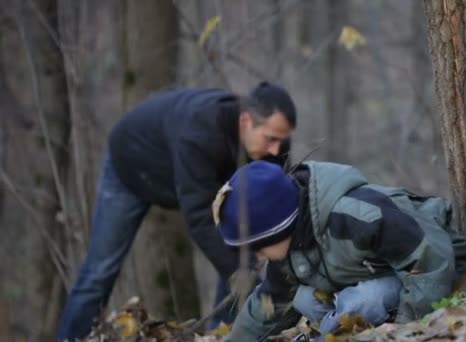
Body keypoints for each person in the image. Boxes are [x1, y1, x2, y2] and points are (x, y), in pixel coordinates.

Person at [55, 82, 297, 341]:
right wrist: (243, 275)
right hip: (131, 167)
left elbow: (279, 202)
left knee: (241, 248)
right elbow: (200, 218)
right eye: (271, 139)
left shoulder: (273, 141)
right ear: (246, 121)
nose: (276, 150)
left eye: (281, 140)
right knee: (99, 271)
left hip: (186, 175)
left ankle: (223, 335)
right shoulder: (200, 134)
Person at [214, 160, 466, 341]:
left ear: (281, 229)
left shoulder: (356, 216)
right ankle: (343, 328)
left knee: (364, 301)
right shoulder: (291, 250)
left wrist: (406, 328)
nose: (258, 256)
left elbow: (427, 260)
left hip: (433, 266)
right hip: (366, 278)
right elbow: (267, 306)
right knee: (302, 298)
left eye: (258, 247)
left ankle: (340, 331)